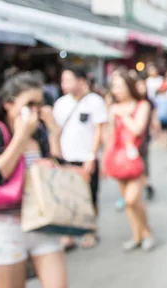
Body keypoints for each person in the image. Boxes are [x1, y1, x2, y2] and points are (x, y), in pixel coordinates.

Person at [0, 72, 67, 288]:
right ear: (9, 104)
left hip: (42, 223)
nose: (36, 110)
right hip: (7, 227)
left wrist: (54, 134)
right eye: (29, 103)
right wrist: (20, 137)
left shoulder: (40, 133)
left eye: (40, 104)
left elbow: (57, 175)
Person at [53, 67, 108, 250]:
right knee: (67, 196)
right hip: (66, 157)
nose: (64, 84)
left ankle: (90, 230)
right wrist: (56, 156)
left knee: (89, 196)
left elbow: (99, 130)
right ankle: (69, 233)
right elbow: (56, 132)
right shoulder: (60, 104)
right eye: (63, 80)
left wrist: (93, 156)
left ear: (81, 81)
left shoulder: (94, 101)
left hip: (87, 157)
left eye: (68, 80)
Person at [105, 69, 155, 252]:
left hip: (136, 156)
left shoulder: (142, 105)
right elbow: (109, 136)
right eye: (114, 86)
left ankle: (147, 232)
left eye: (119, 85)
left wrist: (122, 114)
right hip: (118, 158)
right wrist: (106, 159)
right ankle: (137, 236)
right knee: (127, 201)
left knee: (132, 199)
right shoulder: (112, 109)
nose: (115, 90)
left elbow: (137, 129)